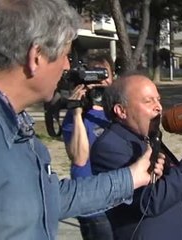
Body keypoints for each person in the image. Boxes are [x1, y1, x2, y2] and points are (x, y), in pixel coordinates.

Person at [0, 0, 164, 239]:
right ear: (36, 57)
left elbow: (49, 197)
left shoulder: (15, 125)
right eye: (66, 55)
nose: (68, 67)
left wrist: (132, 177)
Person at [90, 73, 182, 240]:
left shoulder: (147, 139)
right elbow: (149, 201)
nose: (159, 107)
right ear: (121, 111)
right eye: (148, 101)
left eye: (158, 99)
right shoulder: (109, 148)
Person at [61, 53, 115, 240]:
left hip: (121, 198)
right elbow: (79, 158)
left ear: (113, 77)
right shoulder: (77, 116)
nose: (100, 81)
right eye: (95, 74)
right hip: (93, 206)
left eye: (104, 74)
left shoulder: (118, 110)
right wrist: (76, 112)